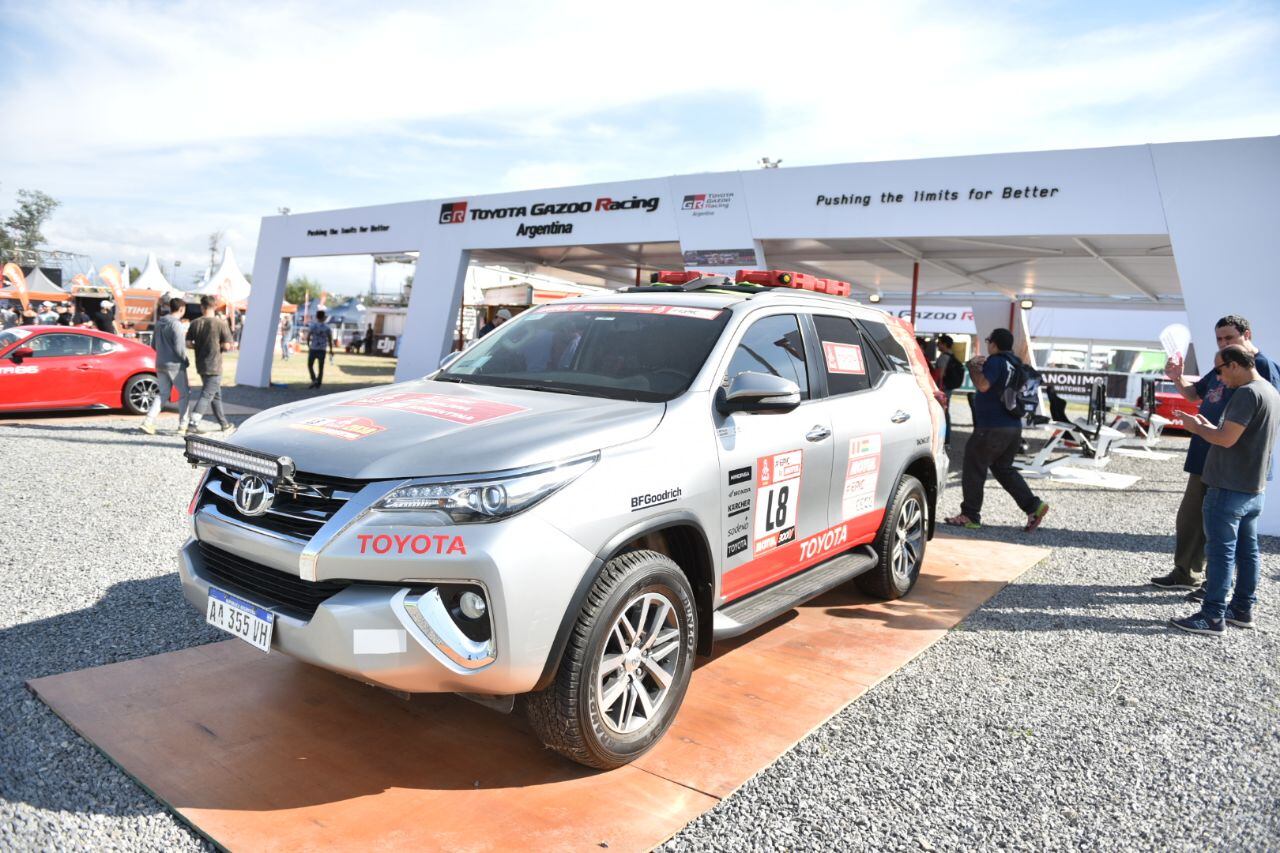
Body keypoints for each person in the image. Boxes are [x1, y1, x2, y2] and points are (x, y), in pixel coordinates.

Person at [1151, 314, 1279, 591]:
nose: (1222, 343)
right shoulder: (1224, 361)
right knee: (1191, 518)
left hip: (1233, 462)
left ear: (1247, 334)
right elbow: (1195, 394)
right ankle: (1186, 572)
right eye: (1219, 338)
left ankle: (1216, 589)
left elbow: (1268, 414)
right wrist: (1177, 377)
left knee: (1224, 529)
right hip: (1206, 452)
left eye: (1229, 338)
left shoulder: (1262, 367)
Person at [1169, 346, 1280, 635]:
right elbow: (1240, 435)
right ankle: (1242, 608)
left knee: (1220, 553)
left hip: (1228, 486)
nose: (1218, 378)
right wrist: (1207, 425)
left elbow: (1227, 439)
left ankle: (1212, 615)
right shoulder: (1269, 390)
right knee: (1247, 552)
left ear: (1234, 365)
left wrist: (1196, 427)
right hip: (1252, 488)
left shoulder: (1246, 393)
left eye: (1219, 370)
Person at [944, 327, 1050, 532]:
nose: (987, 344)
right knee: (1003, 468)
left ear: (994, 343)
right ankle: (1033, 506)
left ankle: (970, 515)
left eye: (988, 340)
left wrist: (972, 367)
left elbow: (983, 385)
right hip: (1013, 427)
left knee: (974, 465)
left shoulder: (996, 361)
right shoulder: (1016, 363)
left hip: (991, 426)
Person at [183, 295, 235, 435]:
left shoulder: (195, 323)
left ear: (202, 307)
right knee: (207, 395)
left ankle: (224, 424)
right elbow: (227, 345)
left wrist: (199, 347)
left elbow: (188, 343)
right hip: (215, 364)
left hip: (201, 364)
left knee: (215, 395)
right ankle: (192, 425)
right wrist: (219, 349)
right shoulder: (220, 324)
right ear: (215, 306)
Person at [141, 297, 192, 435]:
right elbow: (179, 347)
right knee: (184, 394)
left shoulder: (159, 323)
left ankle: (148, 421)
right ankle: (183, 425)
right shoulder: (176, 324)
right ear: (181, 309)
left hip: (160, 362)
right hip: (175, 364)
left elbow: (153, 345)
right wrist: (185, 361)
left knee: (163, 393)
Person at [934, 334, 964, 447]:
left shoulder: (943, 357)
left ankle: (943, 440)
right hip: (948, 388)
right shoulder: (952, 356)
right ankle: (946, 439)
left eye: (940, 342)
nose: (937, 345)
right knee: (946, 413)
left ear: (945, 344)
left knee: (942, 413)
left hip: (942, 389)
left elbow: (940, 375)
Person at [307, 309, 335, 388]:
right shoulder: (327, 328)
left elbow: (308, 336)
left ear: (316, 317)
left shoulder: (313, 326)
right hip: (322, 349)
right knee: (321, 367)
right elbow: (330, 339)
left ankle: (314, 379)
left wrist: (308, 345)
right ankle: (318, 383)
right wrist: (331, 350)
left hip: (313, 348)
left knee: (310, 365)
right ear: (324, 317)